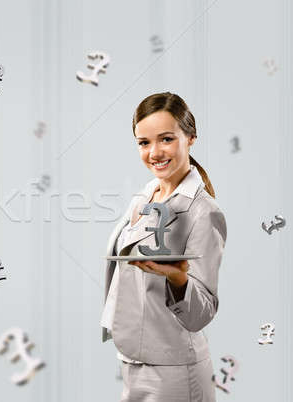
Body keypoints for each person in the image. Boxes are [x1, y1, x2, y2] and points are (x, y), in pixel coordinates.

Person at [100, 92, 227, 401]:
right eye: (144, 143)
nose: (154, 152)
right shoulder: (145, 197)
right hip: (134, 361)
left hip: (173, 371)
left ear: (191, 137)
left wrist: (178, 278)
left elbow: (202, 313)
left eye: (166, 139)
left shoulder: (203, 211)